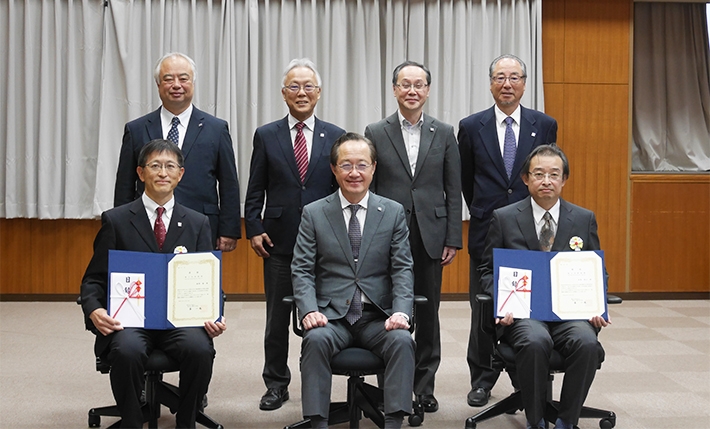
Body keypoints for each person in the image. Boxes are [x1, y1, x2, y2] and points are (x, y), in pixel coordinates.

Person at [80, 139, 227, 428]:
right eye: (155, 166)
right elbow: (93, 279)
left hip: (181, 322)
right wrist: (94, 310)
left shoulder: (197, 223)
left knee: (199, 349)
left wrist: (216, 313)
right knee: (127, 350)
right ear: (140, 172)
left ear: (180, 174)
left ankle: (186, 421)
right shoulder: (117, 220)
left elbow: (209, 281)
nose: (163, 172)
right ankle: (132, 422)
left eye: (170, 166)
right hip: (131, 322)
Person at [479, 144, 609, 429]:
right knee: (536, 342)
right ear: (526, 179)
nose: (546, 181)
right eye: (539, 174)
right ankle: (535, 419)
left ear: (564, 180)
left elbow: (596, 271)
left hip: (571, 314)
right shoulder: (505, 217)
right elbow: (487, 271)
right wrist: (502, 303)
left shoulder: (584, 219)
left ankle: (566, 421)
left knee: (587, 343)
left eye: (554, 174)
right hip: (525, 314)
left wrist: (597, 306)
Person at [291, 133, 415, 429]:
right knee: (315, 340)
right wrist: (309, 310)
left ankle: (394, 421)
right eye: (346, 165)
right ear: (334, 170)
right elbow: (302, 269)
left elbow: (402, 268)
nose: (354, 173)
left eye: (362, 165)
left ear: (373, 167)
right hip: (331, 317)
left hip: (377, 317)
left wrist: (401, 311)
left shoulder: (393, 212)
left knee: (402, 341)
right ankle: (317, 421)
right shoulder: (314, 213)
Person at [457, 54, 558, 407]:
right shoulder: (471, 126)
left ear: (524, 84)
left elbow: (548, 171)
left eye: (515, 77)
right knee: (485, 306)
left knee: (527, 305)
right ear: (490, 83)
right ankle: (482, 379)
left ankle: (522, 376)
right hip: (487, 229)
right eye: (500, 77)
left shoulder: (544, 124)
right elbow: (466, 181)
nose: (507, 84)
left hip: (530, 232)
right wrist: (486, 210)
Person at [245, 58, 345, 411]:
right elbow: (255, 187)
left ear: (318, 93)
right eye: (294, 87)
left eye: (308, 87)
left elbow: (343, 190)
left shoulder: (335, 136)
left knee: (323, 319)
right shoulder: (267, 134)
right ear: (283, 93)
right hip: (278, 242)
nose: (301, 93)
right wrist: (254, 228)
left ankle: (317, 386)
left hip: (326, 245)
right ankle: (275, 383)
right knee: (276, 320)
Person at [364, 60, 462, 412]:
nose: (412, 91)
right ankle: (392, 385)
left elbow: (453, 188)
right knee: (387, 309)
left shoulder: (445, 132)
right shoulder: (375, 131)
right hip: (386, 234)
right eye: (405, 84)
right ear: (394, 90)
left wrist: (453, 236)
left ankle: (425, 385)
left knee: (427, 311)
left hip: (431, 235)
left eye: (419, 84)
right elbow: (368, 188)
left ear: (428, 90)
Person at [114, 52, 241, 252]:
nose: (176, 85)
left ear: (193, 83)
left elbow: (229, 183)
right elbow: (124, 184)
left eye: (183, 78)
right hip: (146, 226)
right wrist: (121, 226)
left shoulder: (216, 129)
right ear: (158, 85)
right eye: (168, 79)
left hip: (200, 225)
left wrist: (229, 229)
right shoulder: (136, 129)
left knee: (195, 282)